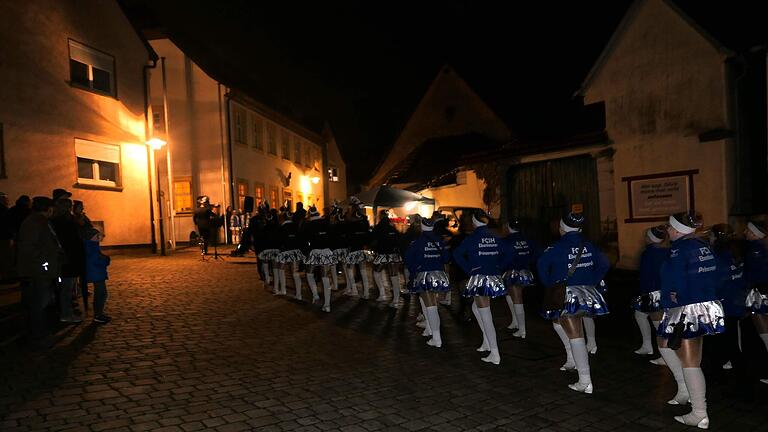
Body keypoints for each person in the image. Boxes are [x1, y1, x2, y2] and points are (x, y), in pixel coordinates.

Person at [656, 212, 724, 428]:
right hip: (703, 303)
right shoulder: (703, 246)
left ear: (677, 230)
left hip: (687, 307)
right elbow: (716, 273)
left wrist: (675, 300)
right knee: (664, 343)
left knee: (691, 362)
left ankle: (699, 413)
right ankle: (684, 390)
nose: (667, 230)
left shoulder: (680, 250)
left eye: (669, 227)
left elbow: (676, 281)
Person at [537, 212, 609, 394]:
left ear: (562, 229)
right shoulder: (589, 245)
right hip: (586, 292)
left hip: (567, 295)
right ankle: (572, 358)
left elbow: (542, 266)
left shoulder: (557, 247)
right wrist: (592, 279)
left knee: (576, 335)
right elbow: (604, 263)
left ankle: (585, 381)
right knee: (558, 323)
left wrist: (550, 285)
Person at [453, 210, 513, 365]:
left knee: (486, 315)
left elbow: (457, 254)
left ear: (474, 223)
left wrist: (469, 270)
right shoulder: (495, 236)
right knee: (475, 308)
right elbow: (510, 253)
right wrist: (499, 267)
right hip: (493, 275)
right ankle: (486, 342)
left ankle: (495, 353)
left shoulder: (472, 238)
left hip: (480, 277)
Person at [17, 197, 61, 348]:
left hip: (42, 270)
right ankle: (38, 337)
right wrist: (44, 265)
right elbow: (30, 248)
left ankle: (40, 334)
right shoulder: (35, 223)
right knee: (39, 304)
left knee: (42, 302)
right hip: (39, 271)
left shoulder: (39, 222)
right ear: (48, 208)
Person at [406, 217, 451, 347]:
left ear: (422, 227)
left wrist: (415, 272)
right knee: (429, 303)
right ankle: (430, 330)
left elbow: (409, 260)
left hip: (424, 275)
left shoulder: (418, 242)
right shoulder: (439, 240)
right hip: (438, 275)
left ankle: (436, 338)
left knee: (431, 305)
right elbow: (447, 257)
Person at [709, 224, 747, 374]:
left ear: (718, 238)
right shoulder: (735, 251)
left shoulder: (719, 257)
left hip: (725, 302)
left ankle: (735, 367)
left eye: (711, 236)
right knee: (731, 335)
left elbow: (718, 281)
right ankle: (733, 363)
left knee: (725, 338)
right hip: (735, 299)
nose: (709, 238)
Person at [633, 225, 669, 358]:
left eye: (647, 236)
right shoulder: (666, 250)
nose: (644, 237)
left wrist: (645, 294)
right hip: (659, 290)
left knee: (658, 322)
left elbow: (647, 275)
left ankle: (665, 354)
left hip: (653, 292)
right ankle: (647, 345)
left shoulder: (650, 253)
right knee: (640, 314)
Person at [501, 217, 538, 338]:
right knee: (508, 295)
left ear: (508, 228)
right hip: (524, 271)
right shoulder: (527, 239)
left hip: (513, 272)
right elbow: (536, 253)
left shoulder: (506, 241)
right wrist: (527, 262)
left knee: (517, 299)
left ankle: (522, 330)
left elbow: (503, 257)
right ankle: (515, 321)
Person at [50, 198, 84, 324]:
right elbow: (73, 242)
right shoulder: (65, 223)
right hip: (68, 259)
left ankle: (65, 312)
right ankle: (66, 314)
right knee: (66, 289)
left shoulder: (56, 221)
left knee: (64, 288)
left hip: (64, 259)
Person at [743, 219, 768, 385]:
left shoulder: (756, 250)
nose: (744, 233)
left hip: (761, 292)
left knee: (764, 331)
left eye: (748, 231)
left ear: (755, 234)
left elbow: (754, 274)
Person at [303, 206, 336, 312]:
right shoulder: (326, 222)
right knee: (325, 276)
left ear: (310, 214)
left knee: (309, 273)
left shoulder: (308, 225)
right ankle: (327, 305)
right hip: (326, 251)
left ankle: (316, 295)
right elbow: (332, 236)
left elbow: (306, 239)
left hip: (315, 251)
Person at [372, 209, 403, 307]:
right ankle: (396, 299)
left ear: (380, 216)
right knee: (394, 275)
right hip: (393, 253)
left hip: (383, 253)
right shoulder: (392, 226)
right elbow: (398, 238)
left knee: (376, 271)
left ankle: (382, 294)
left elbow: (375, 240)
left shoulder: (379, 227)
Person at [344, 197, 372, 298]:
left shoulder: (351, 218)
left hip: (354, 246)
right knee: (362, 268)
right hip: (362, 246)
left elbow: (348, 232)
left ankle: (355, 290)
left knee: (350, 268)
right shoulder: (364, 219)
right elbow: (367, 233)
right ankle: (366, 292)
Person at [276, 208, 306, 300]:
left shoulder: (282, 227)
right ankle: (299, 294)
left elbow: (279, 241)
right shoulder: (296, 226)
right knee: (295, 272)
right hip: (295, 251)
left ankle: (283, 289)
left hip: (285, 251)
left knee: (280, 269)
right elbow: (300, 239)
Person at [84, 227, 111, 324]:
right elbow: (96, 260)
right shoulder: (90, 246)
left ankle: (99, 313)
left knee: (101, 293)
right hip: (96, 273)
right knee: (101, 294)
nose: (99, 237)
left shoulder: (92, 245)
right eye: (97, 236)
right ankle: (98, 314)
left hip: (97, 273)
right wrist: (106, 260)